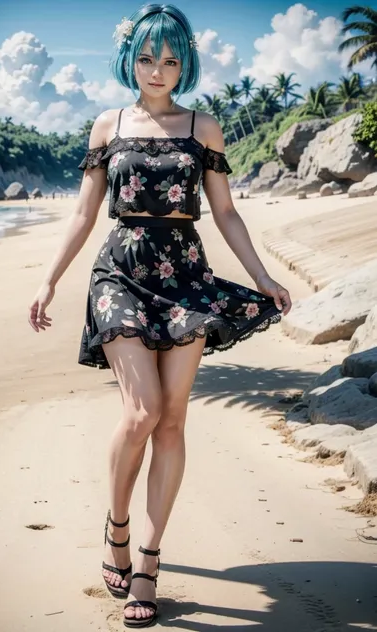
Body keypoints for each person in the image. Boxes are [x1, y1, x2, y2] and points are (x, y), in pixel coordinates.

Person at [28, 4, 292, 628]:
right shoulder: (107, 124)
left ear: (185, 64)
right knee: (141, 410)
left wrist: (261, 276)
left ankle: (147, 561)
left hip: (186, 276)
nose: (158, 70)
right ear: (130, 59)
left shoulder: (205, 127)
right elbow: (83, 214)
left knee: (171, 420)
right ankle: (116, 526)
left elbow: (224, 212)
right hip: (119, 271)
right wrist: (49, 278)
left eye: (171, 59)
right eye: (148, 57)